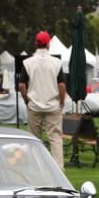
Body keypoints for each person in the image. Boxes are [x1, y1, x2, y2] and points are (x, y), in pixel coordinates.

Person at [17, 30, 68, 168]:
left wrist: (26, 99)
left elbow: (22, 85)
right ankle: (58, 169)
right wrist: (62, 101)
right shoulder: (56, 63)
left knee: (34, 139)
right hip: (53, 105)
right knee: (55, 138)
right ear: (48, 44)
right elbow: (62, 85)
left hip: (34, 106)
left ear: (36, 44)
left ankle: (34, 168)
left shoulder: (28, 62)